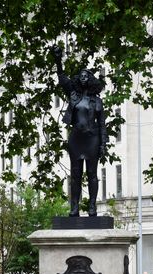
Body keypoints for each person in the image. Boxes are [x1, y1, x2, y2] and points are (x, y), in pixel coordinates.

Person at [53, 46, 106, 217]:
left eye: (86, 76)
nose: (83, 78)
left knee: (92, 174)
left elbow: (103, 124)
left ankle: (92, 206)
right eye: (81, 76)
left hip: (92, 139)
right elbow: (62, 79)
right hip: (76, 139)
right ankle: (74, 207)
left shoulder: (97, 101)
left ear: (90, 79)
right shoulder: (73, 95)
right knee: (75, 175)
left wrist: (103, 145)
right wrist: (58, 60)